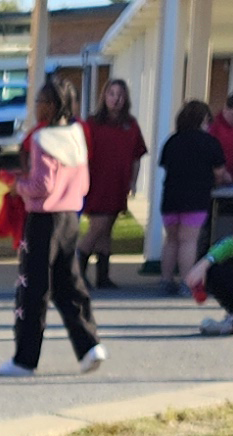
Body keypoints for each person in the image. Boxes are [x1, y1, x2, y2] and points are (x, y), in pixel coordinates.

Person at [0, 78, 106, 373]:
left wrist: (18, 185)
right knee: (68, 282)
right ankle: (90, 345)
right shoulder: (76, 135)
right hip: (70, 217)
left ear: (50, 105)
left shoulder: (41, 139)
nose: (36, 107)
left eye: (39, 101)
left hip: (43, 220)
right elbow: (82, 181)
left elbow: (41, 185)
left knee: (33, 288)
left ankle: (24, 359)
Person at [77, 77, 147, 290]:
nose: (116, 99)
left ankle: (103, 275)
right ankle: (75, 273)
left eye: (120, 95)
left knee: (108, 229)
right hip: (97, 181)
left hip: (118, 183)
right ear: (104, 96)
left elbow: (137, 155)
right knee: (97, 227)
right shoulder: (92, 123)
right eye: (111, 94)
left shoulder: (130, 125)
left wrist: (133, 181)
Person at [156, 97, 230, 295]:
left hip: (170, 197)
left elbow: (165, 165)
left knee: (171, 240)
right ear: (203, 120)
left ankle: (165, 280)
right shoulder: (210, 143)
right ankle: (186, 283)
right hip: (196, 199)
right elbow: (219, 172)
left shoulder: (172, 140)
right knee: (188, 241)